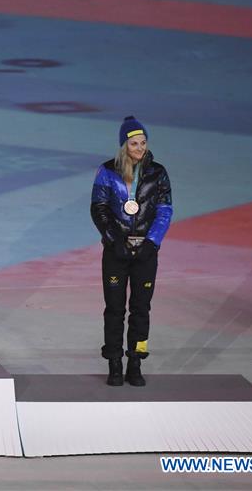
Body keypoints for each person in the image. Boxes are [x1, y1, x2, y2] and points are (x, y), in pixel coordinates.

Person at [90, 116, 172, 387]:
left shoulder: (158, 172)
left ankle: (135, 362)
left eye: (143, 142)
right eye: (134, 143)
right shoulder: (107, 171)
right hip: (117, 252)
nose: (140, 148)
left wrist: (152, 242)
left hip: (145, 252)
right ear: (124, 145)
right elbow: (99, 208)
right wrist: (114, 240)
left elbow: (164, 210)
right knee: (114, 309)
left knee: (141, 309)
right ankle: (114, 363)